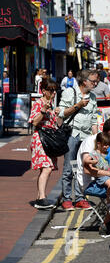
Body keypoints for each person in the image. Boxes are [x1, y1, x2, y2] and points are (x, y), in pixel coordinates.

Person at [58, 69, 99, 211]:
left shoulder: (93, 97)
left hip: (87, 136)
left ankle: (81, 198)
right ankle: (67, 199)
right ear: (84, 81)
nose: (95, 83)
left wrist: (96, 139)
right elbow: (62, 113)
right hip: (72, 134)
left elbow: (94, 120)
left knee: (84, 168)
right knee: (69, 168)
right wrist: (78, 105)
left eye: (96, 81)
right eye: (93, 81)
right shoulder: (70, 92)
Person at [29, 79, 60, 209]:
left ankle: (39, 197)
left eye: (55, 90)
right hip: (41, 139)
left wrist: (57, 115)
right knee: (46, 168)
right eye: (51, 90)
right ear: (44, 91)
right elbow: (34, 122)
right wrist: (42, 111)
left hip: (49, 141)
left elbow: (53, 123)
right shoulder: (38, 103)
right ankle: (42, 198)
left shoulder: (51, 103)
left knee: (46, 169)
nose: (53, 93)